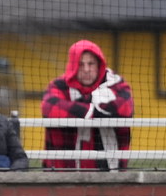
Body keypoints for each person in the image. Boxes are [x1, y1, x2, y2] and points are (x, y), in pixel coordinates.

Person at [41, 40, 134, 170]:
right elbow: (49, 108)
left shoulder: (117, 85)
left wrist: (79, 108)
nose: (86, 69)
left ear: (99, 65)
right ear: (73, 66)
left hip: (109, 170)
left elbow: (125, 109)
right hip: (63, 171)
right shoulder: (59, 85)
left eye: (91, 64)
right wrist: (92, 110)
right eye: (80, 64)